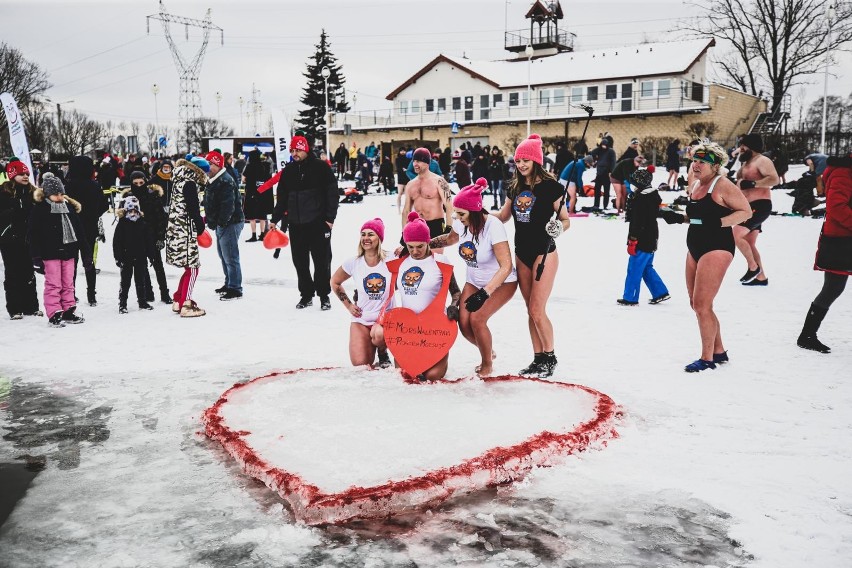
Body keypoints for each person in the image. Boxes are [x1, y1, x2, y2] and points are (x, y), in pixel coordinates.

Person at [660, 142, 752, 372]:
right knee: (697, 304)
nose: (696, 165)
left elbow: (745, 212)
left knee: (702, 304)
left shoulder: (723, 185)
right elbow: (697, 217)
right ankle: (718, 351)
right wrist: (679, 218)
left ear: (716, 165)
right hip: (695, 246)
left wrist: (721, 222)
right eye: (694, 161)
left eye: (702, 162)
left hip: (717, 247)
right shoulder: (696, 185)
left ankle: (707, 358)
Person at [493, 134, 570, 377]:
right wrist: (478, 214)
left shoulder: (552, 187)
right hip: (521, 252)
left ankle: (550, 356)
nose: (522, 165)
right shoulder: (514, 186)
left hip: (544, 251)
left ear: (536, 160)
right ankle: (538, 358)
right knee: (530, 308)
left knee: (537, 308)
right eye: (518, 161)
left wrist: (559, 227)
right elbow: (504, 216)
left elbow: (565, 219)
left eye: (526, 160)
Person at [430, 178, 518, 376]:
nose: (457, 217)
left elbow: (506, 266)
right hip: (474, 279)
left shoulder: (493, 226)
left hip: (502, 282)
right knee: (463, 321)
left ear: (475, 211)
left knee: (477, 319)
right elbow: (450, 238)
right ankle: (488, 351)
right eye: (455, 212)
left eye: (461, 213)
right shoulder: (461, 225)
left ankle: (487, 364)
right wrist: (424, 244)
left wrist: (485, 293)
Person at [373, 212, 460, 381]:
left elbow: (456, 291)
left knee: (433, 376)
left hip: (433, 329)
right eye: (410, 246)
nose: (415, 251)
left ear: (428, 241)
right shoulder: (399, 263)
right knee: (406, 375)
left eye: (420, 246)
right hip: (406, 330)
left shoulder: (441, 262)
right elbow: (389, 288)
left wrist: (454, 305)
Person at [270, 135, 339, 310]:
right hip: (296, 225)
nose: (294, 153)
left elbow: (332, 194)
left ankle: (324, 295)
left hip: (318, 224)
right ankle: (306, 295)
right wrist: (275, 218)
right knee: (300, 263)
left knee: (322, 262)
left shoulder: (321, 168)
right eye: (292, 150)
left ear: (305, 150)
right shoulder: (288, 171)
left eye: (298, 150)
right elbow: (282, 198)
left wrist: (329, 219)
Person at [797, 155, 852, 353]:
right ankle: (807, 335)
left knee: (833, 288)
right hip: (841, 241)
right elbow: (837, 207)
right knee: (833, 288)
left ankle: (807, 335)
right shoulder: (843, 172)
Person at [28, 173, 90, 327]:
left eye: (62, 193)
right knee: (54, 284)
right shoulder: (40, 210)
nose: (60, 197)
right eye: (56, 194)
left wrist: (86, 254)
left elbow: (80, 233)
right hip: (50, 254)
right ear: (48, 194)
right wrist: (36, 257)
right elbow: (33, 235)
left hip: (69, 253)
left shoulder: (69, 208)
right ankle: (54, 312)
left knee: (68, 284)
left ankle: (68, 310)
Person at [330, 218, 392, 367]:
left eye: (371, 234)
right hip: (361, 319)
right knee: (361, 366)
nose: (366, 238)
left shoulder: (391, 258)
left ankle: (383, 352)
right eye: (363, 234)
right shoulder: (354, 262)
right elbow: (335, 282)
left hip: (385, 319)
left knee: (379, 334)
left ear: (379, 238)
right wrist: (349, 306)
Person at [618, 168, 670, 306]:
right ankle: (660, 292)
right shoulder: (652, 195)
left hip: (642, 238)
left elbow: (637, 222)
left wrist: (633, 239)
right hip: (652, 236)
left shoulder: (641, 200)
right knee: (646, 267)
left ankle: (630, 297)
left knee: (634, 268)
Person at [733, 133, 779, 286]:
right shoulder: (746, 163)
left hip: (759, 205)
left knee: (737, 234)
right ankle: (761, 278)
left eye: (743, 146)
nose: (740, 149)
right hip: (748, 206)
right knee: (748, 242)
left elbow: (774, 179)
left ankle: (754, 268)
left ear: (751, 146)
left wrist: (753, 184)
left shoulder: (762, 160)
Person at [166, 157, 208, 318]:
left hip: (177, 230)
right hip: (185, 231)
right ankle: (186, 304)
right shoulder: (190, 183)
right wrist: (200, 226)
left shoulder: (179, 180)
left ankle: (178, 299)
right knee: (193, 268)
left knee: (188, 267)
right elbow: (193, 209)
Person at [0, 159, 41, 319]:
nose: (25, 176)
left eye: (26, 174)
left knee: (28, 272)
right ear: (12, 175)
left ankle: (31, 306)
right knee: (13, 273)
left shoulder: (33, 193)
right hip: (9, 238)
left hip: (28, 238)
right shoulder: (4, 193)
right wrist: (15, 208)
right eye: (21, 174)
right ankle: (14, 308)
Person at [64, 156, 107, 307]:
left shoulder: (67, 186)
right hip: (90, 227)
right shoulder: (94, 186)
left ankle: (71, 293)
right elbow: (105, 206)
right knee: (89, 262)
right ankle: (91, 295)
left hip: (70, 228)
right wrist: (93, 214)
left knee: (72, 262)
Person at [123, 172, 170, 304]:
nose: (138, 186)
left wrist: (161, 237)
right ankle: (148, 292)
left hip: (153, 235)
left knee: (158, 266)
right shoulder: (129, 199)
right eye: (135, 183)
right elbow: (125, 221)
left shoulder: (152, 196)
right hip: (137, 237)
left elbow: (161, 218)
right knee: (142, 266)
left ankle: (165, 293)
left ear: (145, 182)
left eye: (141, 183)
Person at [205, 150, 244, 300]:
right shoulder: (214, 179)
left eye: (210, 164)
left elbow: (228, 206)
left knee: (230, 256)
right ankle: (229, 282)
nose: (207, 167)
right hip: (222, 223)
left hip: (230, 223)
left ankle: (235, 288)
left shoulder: (225, 180)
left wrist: (220, 223)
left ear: (217, 164)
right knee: (223, 255)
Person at [401, 147, 452, 252]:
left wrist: (449, 228)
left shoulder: (439, 181)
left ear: (427, 163)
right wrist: (404, 232)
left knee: (436, 260)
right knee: (418, 260)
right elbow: (406, 210)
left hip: (436, 225)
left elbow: (449, 205)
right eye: (414, 161)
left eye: (418, 161)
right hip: (418, 225)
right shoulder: (410, 184)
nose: (415, 164)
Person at [113, 195, 156, 313]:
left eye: (135, 210)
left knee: (140, 280)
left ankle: (142, 301)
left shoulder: (143, 223)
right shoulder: (122, 224)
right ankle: (122, 303)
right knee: (125, 281)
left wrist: (151, 255)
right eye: (130, 210)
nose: (133, 213)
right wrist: (118, 257)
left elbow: (149, 241)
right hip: (126, 257)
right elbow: (117, 242)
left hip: (141, 256)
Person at [242, 150, 272, 243]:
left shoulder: (249, 166)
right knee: (262, 215)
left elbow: (243, 179)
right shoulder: (265, 166)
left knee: (252, 216)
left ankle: (254, 235)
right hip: (263, 193)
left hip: (251, 193)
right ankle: (262, 234)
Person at [591, 137, 616, 211]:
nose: (603, 146)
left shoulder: (611, 151)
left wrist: (611, 171)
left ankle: (605, 205)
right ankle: (596, 205)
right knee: (597, 190)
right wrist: (595, 158)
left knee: (606, 191)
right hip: (599, 173)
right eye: (602, 145)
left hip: (607, 173)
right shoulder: (599, 150)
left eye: (605, 145)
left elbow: (613, 162)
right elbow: (593, 152)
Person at [487, 146, 506, 211]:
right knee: (494, 191)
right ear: (492, 151)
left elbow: (503, 166)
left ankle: (502, 204)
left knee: (500, 191)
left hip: (499, 176)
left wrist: (498, 164)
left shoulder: (501, 157)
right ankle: (495, 204)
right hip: (493, 176)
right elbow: (488, 167)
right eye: (494, 150)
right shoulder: (490, 158)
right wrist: (492, 165)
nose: (495, 151)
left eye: (496, 150)